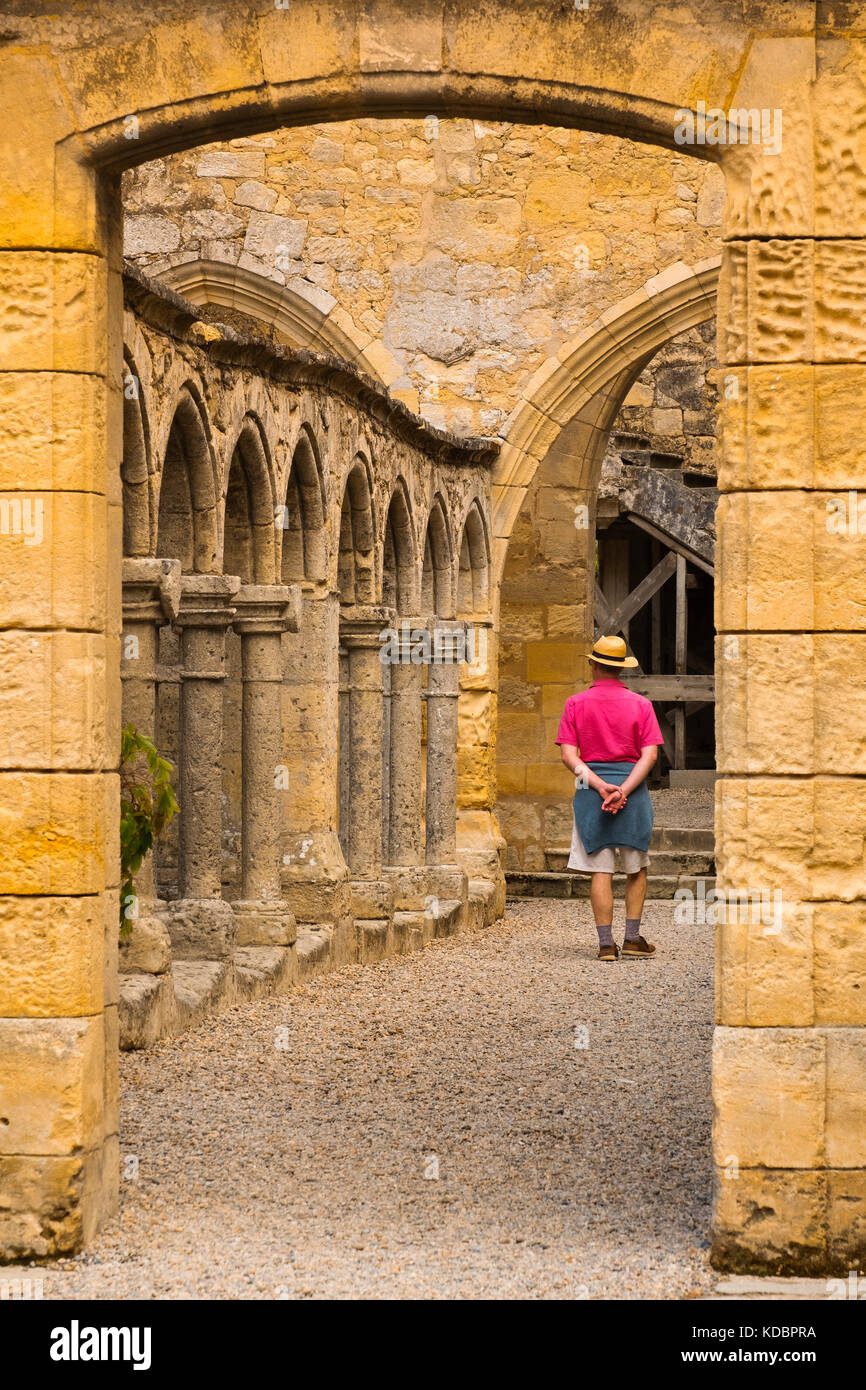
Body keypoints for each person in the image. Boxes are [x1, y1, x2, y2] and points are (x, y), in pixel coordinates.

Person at [555, 634, 664, 961]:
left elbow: (568, 756)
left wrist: (600, 786)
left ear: (593, 664)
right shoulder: (642, 704)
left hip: (591, 792)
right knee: (636, 869)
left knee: (600, 869)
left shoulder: (575, 703)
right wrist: (624, 789)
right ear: (621, 669)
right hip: (633, 791)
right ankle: (632, 938)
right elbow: (650, 756)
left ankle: (606, 945)